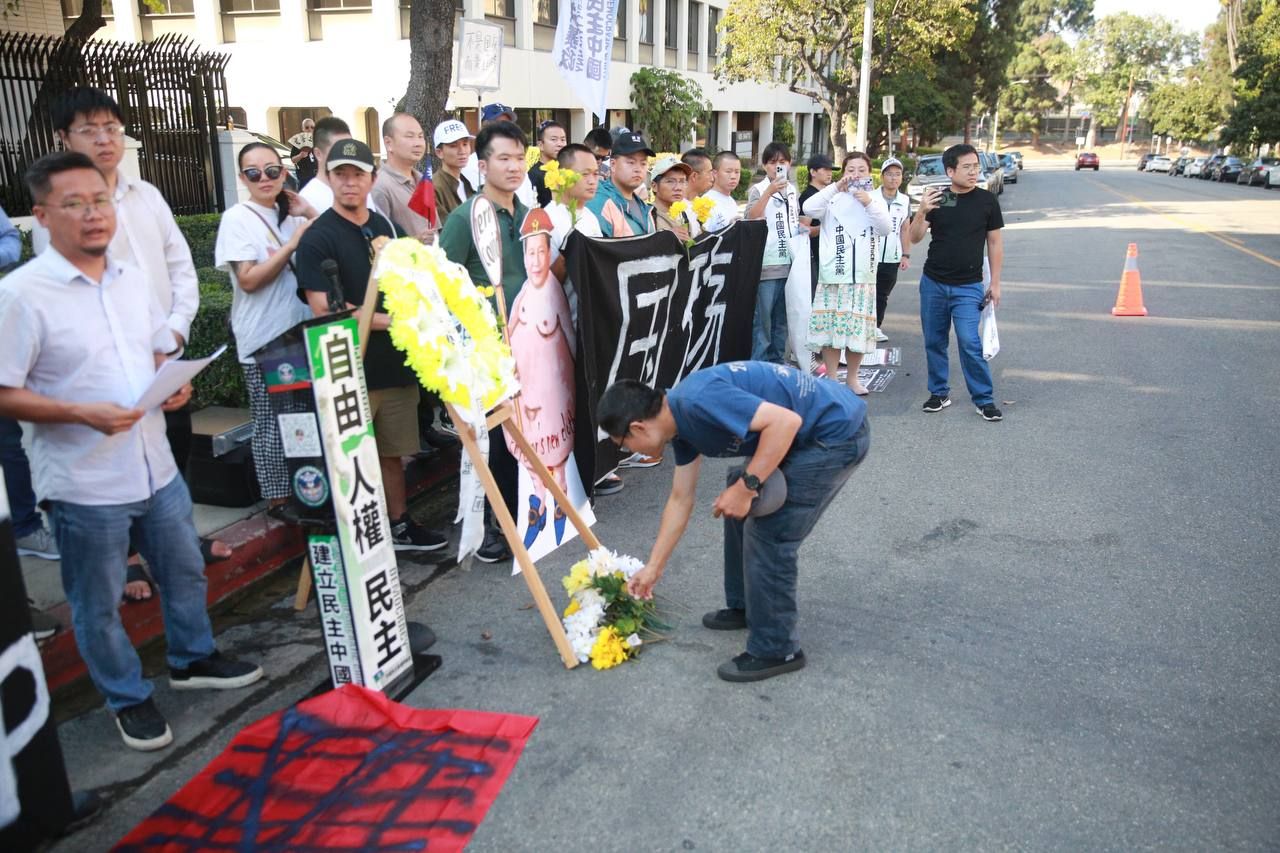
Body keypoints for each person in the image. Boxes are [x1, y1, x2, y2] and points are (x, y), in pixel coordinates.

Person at [0, 152, 263, 750]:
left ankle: (191, 660)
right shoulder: (21, 296)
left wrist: (175, 382)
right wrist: (78, 413)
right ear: (41, 216)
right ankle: (127, 697)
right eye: (74, 204)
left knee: (184, 570)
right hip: (83, 483)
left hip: (155, 465)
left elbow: (151, 351)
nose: (94, 214)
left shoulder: (126, 278)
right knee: (96, 605)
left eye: (100, 200)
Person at [35, 86, 228, 600]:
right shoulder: (61, 209)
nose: (104, 140)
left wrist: (172, 333)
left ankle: (177, 542)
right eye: (89, 130)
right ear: (63, 137)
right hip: (108, 365)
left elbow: (180, 266)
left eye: (112, 129)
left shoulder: (147, 195)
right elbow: (72, 300)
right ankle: (127, 561)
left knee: (174, 445)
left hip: (165, 351)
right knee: (115, 463)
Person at [596, 362, 870, 682]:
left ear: (639, 428)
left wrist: (747, 488)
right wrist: (653, 568)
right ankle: (746, 607)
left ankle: (776, 648)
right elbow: (680, 498)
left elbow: (786, 422)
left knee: (770, 530)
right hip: (810, 428)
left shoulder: (697, 401)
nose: (626, 450)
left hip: (835, 433)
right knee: (737, 484)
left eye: (622, 444)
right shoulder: (678, 421)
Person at [294, 139, 450, 551]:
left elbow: (406, 284)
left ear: (372, 178)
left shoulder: (384, 228)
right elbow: (323, 307)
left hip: (394, 363)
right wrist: (393, 321)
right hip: (348, 367)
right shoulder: (318, 237)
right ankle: (357, 541)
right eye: (340, 175)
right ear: (327, 179)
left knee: (393, 454)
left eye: (358, 174)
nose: (349, 183)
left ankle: (399, 524)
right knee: (349, 461)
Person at [438, 121, 531, 561]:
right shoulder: (464, 218)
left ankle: (523, 514)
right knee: (497, 443)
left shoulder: (527, 213)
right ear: (482, 164)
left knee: (525, 435)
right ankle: (495, 528)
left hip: (528, 344)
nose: (514, 167)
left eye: (519, 157)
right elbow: (443, 287)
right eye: (503, 158)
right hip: (486, 353)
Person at [214, 142, 318, 517]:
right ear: (243, 178)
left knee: (301, 419)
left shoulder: (292, 213)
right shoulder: (237, 218)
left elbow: (335, 240)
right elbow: (249, 280)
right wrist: (292, 244)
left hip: (301, 333)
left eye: (272, 170)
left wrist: (309, 212)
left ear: (284, 172)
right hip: (265, 339)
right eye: (254, 172)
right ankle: (277, 498)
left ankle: (307, 489)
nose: (264, 179)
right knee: (273, 421)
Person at [907, 143, 1004, 421]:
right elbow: (914, 238)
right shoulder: (938, 198)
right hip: (933, 282)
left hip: (969, 286)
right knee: (934, 341)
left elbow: (995, 243)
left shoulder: (987, 201)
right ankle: (939, 393)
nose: (974, 172)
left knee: (969, 342)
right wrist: (922, 211)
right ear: (950, 171)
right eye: (967, 167)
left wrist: (995, 283)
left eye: (976, 166)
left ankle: (984, 399)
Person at [803, 152, 892, 395]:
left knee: (857, 332)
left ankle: (852, 378)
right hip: (833, 275)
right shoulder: (832, 198)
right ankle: (831, 377)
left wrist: (868, 202)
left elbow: (885, 228)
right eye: (850, 170)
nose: (855, 175)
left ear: (869, 172)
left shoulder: (875, 200)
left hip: (862, 277)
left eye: (861, 170)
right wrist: (834, 188)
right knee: (830, 332)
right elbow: (808, 207)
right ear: (843, 172)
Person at [745, 143, 802, 364]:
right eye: (772, 162)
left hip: (790, 265)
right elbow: (750, 217)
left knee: (782, 321)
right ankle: (759, 365)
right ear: (765, 166)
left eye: (782, 162)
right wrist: (769, 192)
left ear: (789, 164)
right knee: (763, 322)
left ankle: (778, 363)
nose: (778, 166)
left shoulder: (792, 190)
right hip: (767, 266)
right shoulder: (758, 190)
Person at [545, 142, 603, 309]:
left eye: (595, 174)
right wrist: (568, 253)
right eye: (585, 174)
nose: (592, 181)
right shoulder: (548, 219)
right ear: (563, 175)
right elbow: (544, 286)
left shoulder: (590, 218)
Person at [297, 116, 384, 216]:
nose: (345, 154)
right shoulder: (307, 200)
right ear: (318, 154)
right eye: (337, 149)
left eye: (349, 147)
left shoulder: (359, 189)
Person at [371, 112, 434, 241]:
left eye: (420, 136)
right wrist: (416, 241)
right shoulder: (380, 185)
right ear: (389, 143)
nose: (418, 143)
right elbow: (379, 241)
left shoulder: (423, 179)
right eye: (410, 136)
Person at [461, 104, 537, 208]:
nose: (505, 130)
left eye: (508, 124)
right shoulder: (470, 165)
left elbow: (529, 201)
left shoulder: (520, 167)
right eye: (499, 124)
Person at [585, 130, 655, 237]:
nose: (638, 169)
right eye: (631, 162)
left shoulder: (642, 204)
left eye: (643, 163)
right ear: (613, 164)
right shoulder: (600, 201)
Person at [874, 156, 912, 342]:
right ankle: (862, 326)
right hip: (869, 255)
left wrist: (905, 254)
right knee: (866, 292)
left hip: (891, 256)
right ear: (882, 176)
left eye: (898, 174)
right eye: (889, 174)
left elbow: (905, 228)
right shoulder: (871, 198)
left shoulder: (905, 200)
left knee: (882, 294)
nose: (894, 178)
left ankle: (876, 326)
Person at [798, 154, 833, 296]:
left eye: (831, 169)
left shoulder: (826, 194)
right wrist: (825, 228)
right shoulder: (808, 196)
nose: (829, 173)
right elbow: (802, 229)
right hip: (813, 258)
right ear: (812, 172)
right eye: (825, 169)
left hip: (827, 257)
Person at [432, 119, 475, 224]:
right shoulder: (434, 187)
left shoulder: (467, 183)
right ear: (439, 152)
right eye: (453, 146)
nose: (462, 151)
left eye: (465, 144)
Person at [648, 156, 700, 241]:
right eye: (670, 181)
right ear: (654, 186)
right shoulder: (647, 216)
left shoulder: (684, 215)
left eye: (682, 181)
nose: (678, 188)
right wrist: (667, 238)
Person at [528, 120, 567, 207]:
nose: (560, 144)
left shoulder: (566, 171)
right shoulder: (534, 175)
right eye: (554, 139)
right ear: (540, 145)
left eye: (563, 140)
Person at [701, 150, 742, 232]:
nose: (733, 176)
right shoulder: (705, 203)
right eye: (728, 171)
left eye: (737, 172)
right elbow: (704, 238)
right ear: (715, 173)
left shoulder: (731, 201)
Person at [288, 118, 317, 189]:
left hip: (317, 177)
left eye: (312, 127)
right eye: (307, 127)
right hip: (304, 177)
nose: (309, 129)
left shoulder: (318, 141)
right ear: (303, 129)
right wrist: (300, 155)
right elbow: (293, 160)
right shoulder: (298, 142)